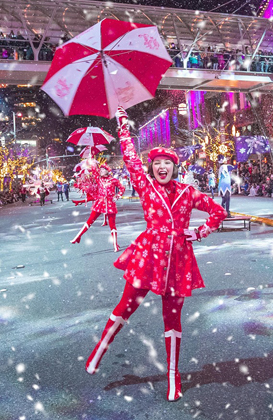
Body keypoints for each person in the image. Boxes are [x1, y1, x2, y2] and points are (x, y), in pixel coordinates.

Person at [84, 107, 227, 402]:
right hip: (148, 256)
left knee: (172, 320)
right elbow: (130, 157)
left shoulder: (189, 193)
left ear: (175, 167)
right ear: (151, 168)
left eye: (168, 163)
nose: (162, 167)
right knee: (125, 306)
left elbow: (218, 211)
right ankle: (99, 351)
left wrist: (199, 232)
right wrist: (122, 124)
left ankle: (173, 378)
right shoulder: (146, 187)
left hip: (178, 261)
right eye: (157, 163)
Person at [70, 162, 124, 251]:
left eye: (103, 169)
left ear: (107, 171)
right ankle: (77, 237)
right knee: (89, 221)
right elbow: (94, 171)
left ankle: (115, 245)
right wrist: (91, 162)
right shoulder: (99, 179)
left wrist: (117, 196)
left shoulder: (113, 180)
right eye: (101, 169)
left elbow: (122, 188)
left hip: (110, 204)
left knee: (112, 225)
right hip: (99, 203)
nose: (101, 171)